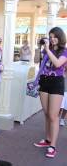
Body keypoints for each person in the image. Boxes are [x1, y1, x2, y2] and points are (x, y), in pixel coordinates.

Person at [33, 27, 67, 158]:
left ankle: (53, 146)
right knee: (47, 114)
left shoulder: (65, 51)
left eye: (55, 36)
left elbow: (58, 64)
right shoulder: (48, 50)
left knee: (53, 116)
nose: (52, 39)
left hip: (56, 83)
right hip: (44, 82)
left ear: (60, 37)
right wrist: (39, 49)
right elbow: (36, 61)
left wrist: (47, 50)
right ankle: (47, 140)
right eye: (51, 36)